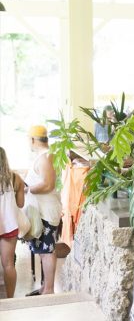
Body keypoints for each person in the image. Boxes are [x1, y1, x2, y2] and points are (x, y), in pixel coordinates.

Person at [24, 125, 62, 296]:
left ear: (33, 140)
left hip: (47, 212)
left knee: (47, 252)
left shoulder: (45, 157)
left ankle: (49, 290)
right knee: (42, 251)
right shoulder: (44, 156)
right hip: (43, 212)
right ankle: (45, 287)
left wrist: (28, 189)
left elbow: (48, 184)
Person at [0, 146, 25, 298]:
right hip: (9, 225)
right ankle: (10, 300)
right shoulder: (16, 178)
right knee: (9, 264)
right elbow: (21, 204)